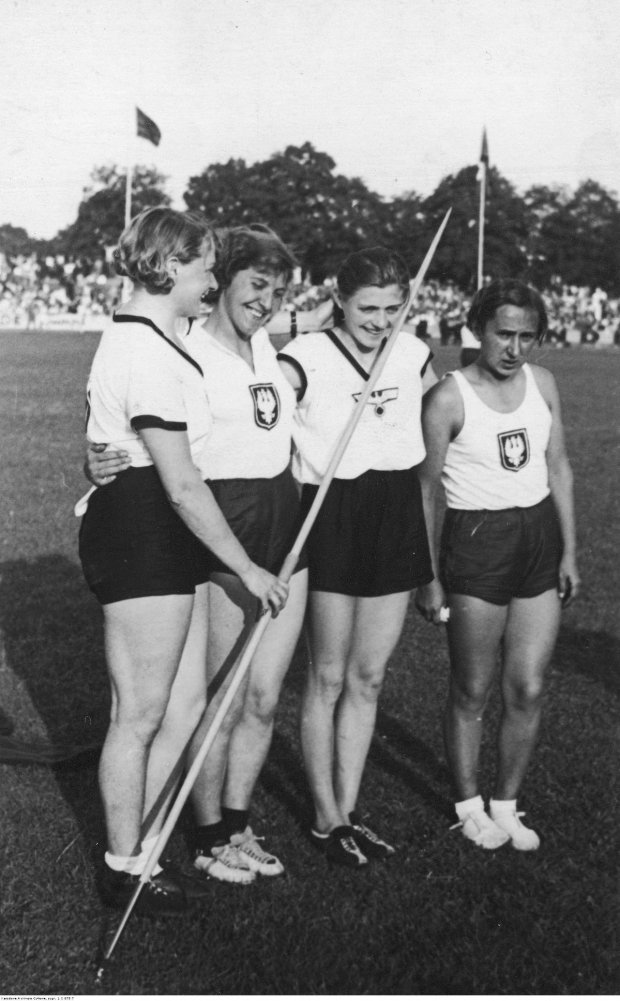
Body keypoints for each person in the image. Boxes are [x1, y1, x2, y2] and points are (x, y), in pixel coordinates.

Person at [79, 210, 288, 913]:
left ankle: (141, 845)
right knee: (138, 712)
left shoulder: (160, 340)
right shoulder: (141, 348)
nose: (211, 280)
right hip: (143, 526)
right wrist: (250, 569)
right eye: (204, 267)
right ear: (168, 267)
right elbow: (181, 482)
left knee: (187, 701)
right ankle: (122, 864)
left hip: (161, 526)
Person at [277, 247, 438, 868]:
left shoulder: (413, 350)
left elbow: (446, 414)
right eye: (367, 307)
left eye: (393, 308)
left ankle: (349, 807)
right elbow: (253, 415)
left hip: (394, 509)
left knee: (369, 677)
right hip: (331, 512)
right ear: (338, 299)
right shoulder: (306, 356)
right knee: (328, 675)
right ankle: (324, 815)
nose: (379, 320)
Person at [416, 278, 580, 851]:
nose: (514, 348)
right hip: (477, 542)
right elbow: (426, 491)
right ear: (478, 331)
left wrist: (570, 552)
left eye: (526, 336)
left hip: (537, 541)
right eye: (503, 334)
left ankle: (507, 806)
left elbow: (558, 466)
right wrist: (429, 575)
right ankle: (468, 807)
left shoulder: (545, 383)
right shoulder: (447, 397)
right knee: (472, 689)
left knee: (529, 687)